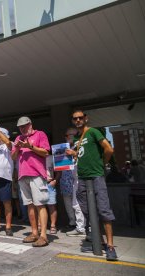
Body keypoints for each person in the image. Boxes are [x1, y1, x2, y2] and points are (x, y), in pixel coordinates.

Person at [67, 110, 117, 261]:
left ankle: (110, 246)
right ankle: (98, 239)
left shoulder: (93, 132)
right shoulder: (76, 137)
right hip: (82, 178)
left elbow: (109, 149)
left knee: (103, 210)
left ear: (86, 119)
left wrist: (102, 164)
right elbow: (81, 154)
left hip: (96, 176)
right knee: (87, 210)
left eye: (80, 118)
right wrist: (73, 153)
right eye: (75, 118)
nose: (78, 120)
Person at [11, 116, 50, 247]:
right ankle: (34, 233)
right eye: (20, 127)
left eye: (25, 126)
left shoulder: (40, 134)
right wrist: (17, 148)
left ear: (30, 124)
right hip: (23, 175)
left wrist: (30, 146)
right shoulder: (18, 138)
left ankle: (44, 235)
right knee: (29, 205)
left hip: (37, 174)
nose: (22, 129)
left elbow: (45, 152)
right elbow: (13, 157)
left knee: (40, 204)